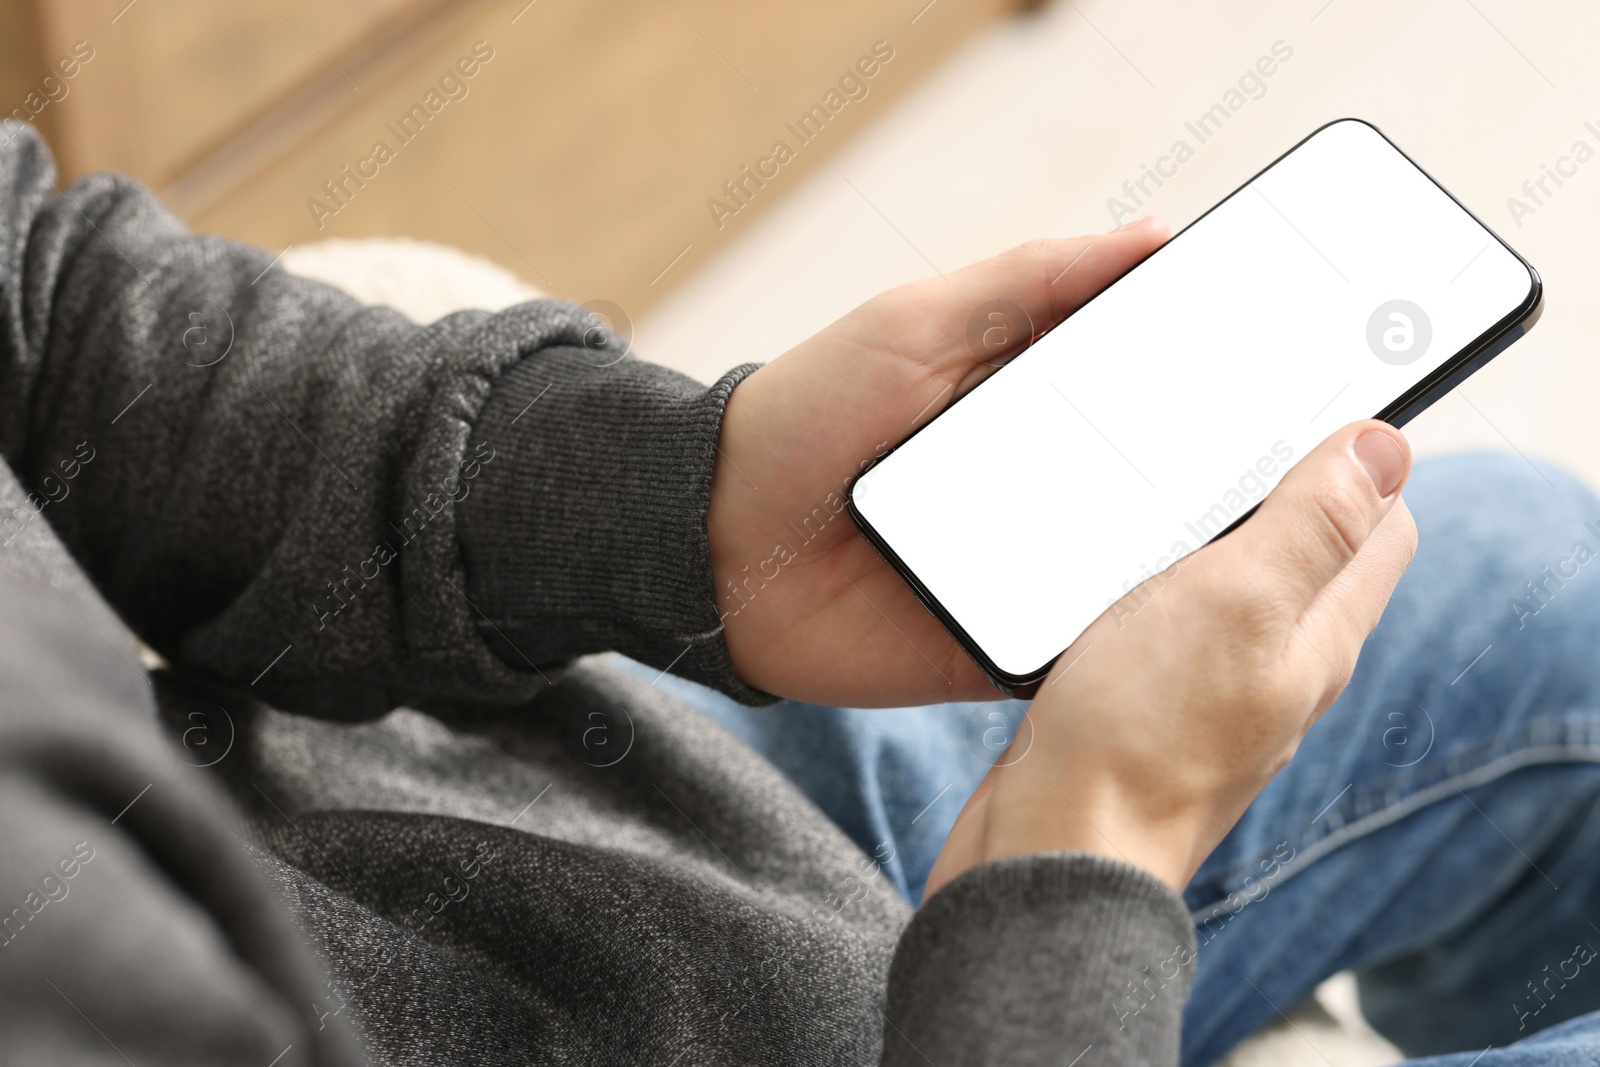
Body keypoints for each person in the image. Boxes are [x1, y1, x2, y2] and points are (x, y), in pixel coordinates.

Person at [3, 117, 1600, 1067]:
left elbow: (35, 294)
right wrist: (1085, 870)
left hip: (489, 820)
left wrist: (677, 505)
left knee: (1533, 582)